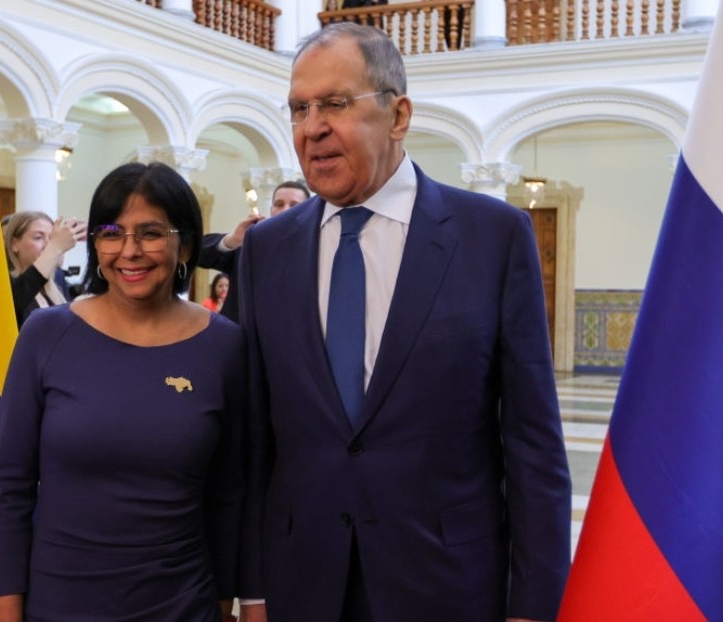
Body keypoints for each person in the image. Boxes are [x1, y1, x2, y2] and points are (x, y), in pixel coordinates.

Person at [238, 23, 571, 622]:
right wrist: (254, 590)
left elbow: (533, 444)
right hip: (303, 585)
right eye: (299, 109)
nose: (312, 127)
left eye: (335, 103)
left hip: (444, 585)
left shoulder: (492, 237)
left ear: (398, 115)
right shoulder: (267, 250)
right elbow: (256, 440)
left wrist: (533, 605)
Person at [0, 162, 246, 622]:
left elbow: (229, 494)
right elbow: (11, 487)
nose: (129, 251)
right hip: (60, 604)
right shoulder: (46, 335)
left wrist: (224, 603)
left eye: (151, 233)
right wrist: (7, 612)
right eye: (111, 233)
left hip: (183, 605)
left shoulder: (224, 345)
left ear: (186, 245)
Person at [198, 180, 310, 322]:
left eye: (294, 205)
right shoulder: (248, 245)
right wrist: (232, 240)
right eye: (279, 204)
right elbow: (197, 253)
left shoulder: (315, 249)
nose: (285, 210)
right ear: (271, 209)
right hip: (241, 332)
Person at [2, 211, 87, 327]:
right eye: (38, 237)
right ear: (14, 244)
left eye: (52, 238)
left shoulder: (58, 278)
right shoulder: (5, 284)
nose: (48, 245)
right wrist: (55, 247)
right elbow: (22, 293)